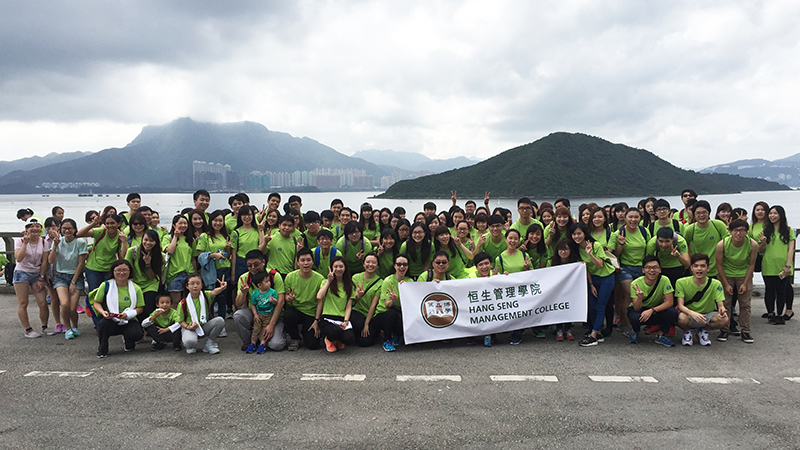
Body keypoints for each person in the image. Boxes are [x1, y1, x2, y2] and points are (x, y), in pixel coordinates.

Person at [77, 212, 127, 322]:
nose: (110, 226)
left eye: (113, 223)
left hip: (109, 269)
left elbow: (122, 257)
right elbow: (79, 234)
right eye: (107, 223)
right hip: (93, 268)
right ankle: (97, 321)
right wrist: (93, 224)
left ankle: (108, 318)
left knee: (108, 296)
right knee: (94, 296)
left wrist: (124, 242)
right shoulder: (101, 232)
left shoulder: (120, 236)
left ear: (118, 224)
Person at [233, 250, 286, 351]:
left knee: (276, 345)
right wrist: (243, 293)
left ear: (263, 262)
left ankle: (270, 334)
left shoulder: (274, 276)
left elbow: (280, 302)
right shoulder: (244, 278)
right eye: (249, 265)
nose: (253, 268)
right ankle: (249, 341)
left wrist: (271, 325)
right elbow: (238, 304)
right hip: (255, 314)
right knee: (238, 315)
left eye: (256, 264)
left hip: (272, 315)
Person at [572, 222, 616, 347]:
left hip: (606, 278)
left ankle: (593, 336)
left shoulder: (595, 245)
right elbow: (586, 268)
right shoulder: (577, 249)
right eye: (574, 234)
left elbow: (600, 265)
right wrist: (591, 284)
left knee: (600, 306)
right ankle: (599, 332)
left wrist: (590, 254)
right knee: (591, 307)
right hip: (594, 279)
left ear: (585, 234)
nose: (577, 236)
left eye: (579, 233)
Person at [89, 259, 144, 357]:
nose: (121, 273)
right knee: (102, 326)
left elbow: (140, 308)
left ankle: (129, 342)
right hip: (110, 319)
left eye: (125, 270)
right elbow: (96, 303)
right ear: (113, 272)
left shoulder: (136, 288)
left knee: (137, 333)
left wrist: (127, 315)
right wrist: (103, 312)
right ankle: (102, 348)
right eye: (118, 270)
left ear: (129, 272)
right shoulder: (106, 285)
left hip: (129, 319)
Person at [715, 219, 758, 343]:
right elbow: (719, 265)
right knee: (725, 303)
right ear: (730, 231)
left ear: (746, 232)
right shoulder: (722, 244)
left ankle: (745, 331)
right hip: (726, 274)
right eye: (736, 230)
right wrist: (726, 283)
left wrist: (745, 283)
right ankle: (724, 329)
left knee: (745, 304)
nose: (739, 233)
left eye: (742, 230)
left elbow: (751, 265)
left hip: (744, 274)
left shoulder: (752, 244)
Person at [610, 208, 651, 335]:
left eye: (636, 217)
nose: (633, 220)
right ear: (625, 218)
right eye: (630, 217)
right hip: (625, 268)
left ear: (640, 218)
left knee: (640, 295)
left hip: (641, 268)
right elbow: (613, 255)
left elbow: (649, 249)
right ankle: (628, 326)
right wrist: (621, 245)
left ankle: (628, 321)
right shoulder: (618, 233)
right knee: (628, 295)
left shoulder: (644, 231)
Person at [675, 254, 728, 346]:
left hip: (707, 314)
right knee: (681, 318)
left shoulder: (716, 284)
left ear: (708, 268)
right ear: (691, 268)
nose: (699, 269)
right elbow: (680, 305)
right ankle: (687, 332)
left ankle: (703, 331)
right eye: (696, 266)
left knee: (724, 319)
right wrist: (693, 313)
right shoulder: (681, 282)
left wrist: (722, 310)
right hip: (689, 314)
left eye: (703, 266)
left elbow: (720, 304)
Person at [49, 218, 88, 339]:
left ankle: (74, 326)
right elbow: (51, 260)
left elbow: (81, 264)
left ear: (75, 229)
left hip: (75, 276)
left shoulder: (80, 242)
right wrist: (55, 245)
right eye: (64, 228)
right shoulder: (57, 241)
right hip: (60, 276)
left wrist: (73, 282)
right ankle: (67, 328)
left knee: (72, 307)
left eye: (69, 228)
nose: (67, 230)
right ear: (60, 229)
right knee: (64, 303)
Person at [627, 256, 679, 347]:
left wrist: (652, 310)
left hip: (656, 309)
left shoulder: (665, 280)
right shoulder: (635, 283)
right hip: (641, 309)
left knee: (673, 312)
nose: (652, 270)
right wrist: (639, 298)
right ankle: (635, 331)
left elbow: (669, 302)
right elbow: (636, 307)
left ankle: (661, 335)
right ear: (643, 270)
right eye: (648, 267)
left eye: (655, 267)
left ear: (660, 270)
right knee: (634, 316)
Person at [758, 205, 795, 324]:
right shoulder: (765, 230)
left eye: (775, 213)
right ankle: (770, 313)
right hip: (768, 264)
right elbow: (761, 249)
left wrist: (788, 266)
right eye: (770, 213)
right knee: (769, 290)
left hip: (783, 265)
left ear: (781, 215)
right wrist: (763, 242)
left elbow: (791, 249)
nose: (772, 216)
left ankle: (780, 314)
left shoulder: (789, 230)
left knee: (781, 291)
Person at [283, 248, 326, 351]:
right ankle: (295, 338)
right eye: (302, 260)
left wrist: (316, 320)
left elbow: (321, 301)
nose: (306, 263)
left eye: (308, 260)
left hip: (311, 313)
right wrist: (288, 298)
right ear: (297, 262)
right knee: (288, 315)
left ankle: (306, 332)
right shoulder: (290, 277)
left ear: (312, 262)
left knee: (313, 345)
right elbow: (285, 296)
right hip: (296, 309)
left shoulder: (319, 278)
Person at [14, 218, 51, 338]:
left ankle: (44, 327)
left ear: (41, 229)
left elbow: (44, 261)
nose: (34, 228)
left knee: (42, 302)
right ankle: (28, 329)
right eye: (31, 226)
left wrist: (41, 277)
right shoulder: (19, 241)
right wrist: (25, 243)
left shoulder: (44, 242)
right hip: (22, 272)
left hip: (36, 273)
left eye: (37, 226)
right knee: (23, 302)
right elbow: (18, 258)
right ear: (26, 229)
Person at [177, 273, 227, 354]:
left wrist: (221, 288)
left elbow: (214, 292)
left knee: (220, 320)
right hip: (190, 328)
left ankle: (209, 343)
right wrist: (188, 326)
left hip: (203, 325)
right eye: (192, 283)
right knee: (190, 341)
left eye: (198, 283)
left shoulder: (205, 296)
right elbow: (180, 320)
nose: (195, 286)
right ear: (187, 286)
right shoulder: (183, 303)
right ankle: (190, 346)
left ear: (202, 285)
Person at [315, 256, 356, 352]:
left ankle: (338, 340)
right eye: (335, 266)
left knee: (349, 338)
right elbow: (319, 296)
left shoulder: (349, 285)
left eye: (341, 266)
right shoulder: (325, 282)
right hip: (327, 318)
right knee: (335, 331)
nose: (338, 269)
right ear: (331, 268)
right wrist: (329, 281)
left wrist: (346, 321)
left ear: (345, 268)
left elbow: (348, 305)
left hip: (341, 319)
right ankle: (329, 339)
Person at [196, 210, 232, 318]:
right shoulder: (204, 236)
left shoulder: (226, 236)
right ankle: (210, 320)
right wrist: (212, 255)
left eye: (220, 220)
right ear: (211, 221)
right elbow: (200, 256)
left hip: (224, 269)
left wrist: (227, 249)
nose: (218, 223)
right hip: (210, 271)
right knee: (210, 297)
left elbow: (227, 255)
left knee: (222, 298)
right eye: (215, 220)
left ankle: (221, 323)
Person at [682, 200, 728, 278]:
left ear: (709, 213)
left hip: (717, 270)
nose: (701, 215)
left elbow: (728, 242)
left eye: (704, 212)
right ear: (694, 215)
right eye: (698, 213)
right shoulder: (690, 229)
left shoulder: (718, 225)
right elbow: (684, 247)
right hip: (698, 271)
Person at [125, 229, 163, 322]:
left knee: (148, 308)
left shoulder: (159, 256)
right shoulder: (133, 251)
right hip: (135, 283)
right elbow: (127, 269)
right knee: (135, 308)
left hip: (150, 284)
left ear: (156, 242)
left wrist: (147, 264)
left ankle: (146, 326)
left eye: (151, 241)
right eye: (146, 240)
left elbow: (152, 277)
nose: (148, 243)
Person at [377, 254, 412, 351]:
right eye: (399, 264)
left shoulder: (409, 281)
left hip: (400, 312)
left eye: (405, 264)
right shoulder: (388, 281)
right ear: (394, 266)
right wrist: (393, 300)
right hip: (383, 313)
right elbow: (387, 305)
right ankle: (387, 340)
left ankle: (397, 334)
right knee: (392, 313)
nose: (402, 267)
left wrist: (407, 290)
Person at [349, 253, 384, 347]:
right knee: (356, 322)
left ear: (377, 266)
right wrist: (358, 295)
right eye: (368, 262)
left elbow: (373, 305)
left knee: (365, 342)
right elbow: (351, 300)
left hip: (369, 315)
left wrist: (366, 324)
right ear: (363, 264)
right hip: (356, 312)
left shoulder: (380, 282)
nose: (370, 264)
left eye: (374, 262)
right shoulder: (355, 277)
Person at [548, 239, 578, 341]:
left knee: (569, 308)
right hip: (556, 292)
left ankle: (568, 329)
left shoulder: (575, 263)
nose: (563, 252)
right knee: (559, 309)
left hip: (570, 291)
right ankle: (559, 329)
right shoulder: (551, 262)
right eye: (560, 249)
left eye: (566, 249)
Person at [163, 215, 197, 306]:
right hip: (174, 273)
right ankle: (177, 319)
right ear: (174, 225)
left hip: (188, 272)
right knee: (176, 301)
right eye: (180, 223)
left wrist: (195, 273)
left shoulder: (190, 240)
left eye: (185, 223)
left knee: (189, 300)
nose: (183, 225)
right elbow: (170, 250)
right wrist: (175, 236)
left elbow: (193, 258)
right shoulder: (168, 238)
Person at [246, 270, 279, 354]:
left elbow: (277, 303)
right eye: (266, 281)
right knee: (256, 329)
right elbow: (253, 304)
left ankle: (262, 344)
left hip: (269, 315)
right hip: (259, 314)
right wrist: (255, 314)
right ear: (259, 285)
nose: (269, 283)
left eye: (269, 281)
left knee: (265, 330)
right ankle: (253, 343)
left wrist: (273, 300)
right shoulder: (255, 294)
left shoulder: (272, 292)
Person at [230, 205, 264, 286]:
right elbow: (233, 254)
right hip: (241, 262)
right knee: (240, 287)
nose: (247, 217)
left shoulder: (257, 230)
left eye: (249, 215)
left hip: (256, 263)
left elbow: (262, 246)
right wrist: (233, 273)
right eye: (244, 215)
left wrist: (260, 231)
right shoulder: (236, 232)